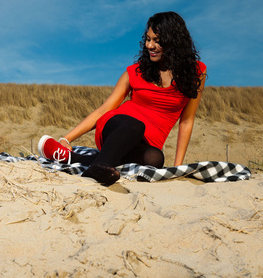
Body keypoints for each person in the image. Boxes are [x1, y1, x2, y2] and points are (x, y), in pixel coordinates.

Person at [38, 11, 207, 185]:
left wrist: (177, 169)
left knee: (155, 159)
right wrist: (67, 138)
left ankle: (72, 158)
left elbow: (186, 121)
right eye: (148, 39)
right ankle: (98, 167)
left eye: (157, 40)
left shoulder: (196, 73)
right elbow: (104, 110)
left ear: (174, 41)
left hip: (146, 142)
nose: (150, 45)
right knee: (136, 125)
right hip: (117, 127)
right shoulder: (135, 72)